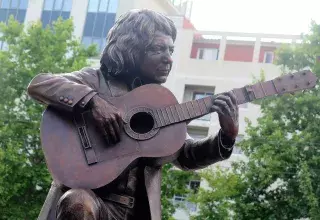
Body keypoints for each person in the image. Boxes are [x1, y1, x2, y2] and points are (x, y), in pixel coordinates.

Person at [27, 9, 239, 220]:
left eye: (170, 50)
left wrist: (226, 138)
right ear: (131, 49)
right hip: (91, 205)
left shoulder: (157, 101)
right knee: (78, 203)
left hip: (139, 212)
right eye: (158, 49)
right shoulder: (95, 81)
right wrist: (93, 101)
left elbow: (186, 155)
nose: (169, 60)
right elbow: (40, 84)